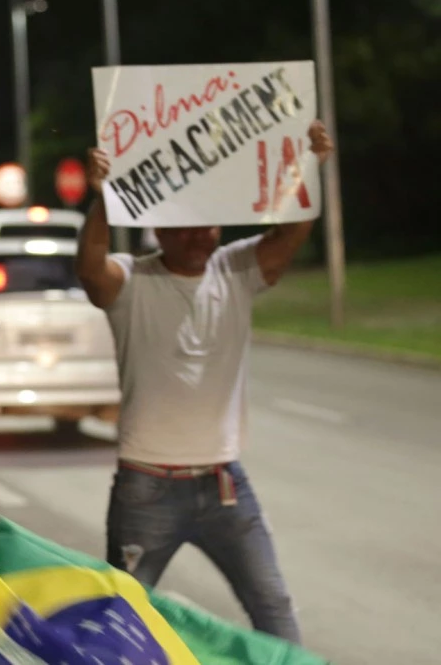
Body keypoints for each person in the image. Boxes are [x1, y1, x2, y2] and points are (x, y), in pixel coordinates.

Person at [76, 119, 334, 644]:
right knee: (118, 621)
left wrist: (308, 166)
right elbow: (90, 267)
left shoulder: (235, 270)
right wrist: (103, 199)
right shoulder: (131, 280)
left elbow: (291, 234)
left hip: (224, 486)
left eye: (208, 225)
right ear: (159, 229)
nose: (199, 237)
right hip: (146, 490)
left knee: (275, 609)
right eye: (185, 227)